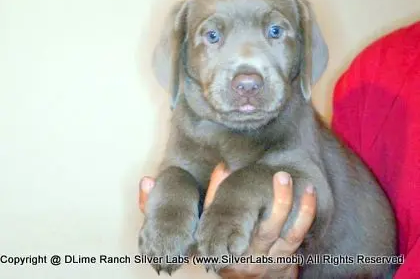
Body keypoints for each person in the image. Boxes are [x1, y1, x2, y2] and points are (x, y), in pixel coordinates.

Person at [139, 21, 420, 278]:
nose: (247, 75)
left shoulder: (297, 117)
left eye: (275, 32)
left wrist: (235, 208)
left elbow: (314, 191)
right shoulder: (379, 67)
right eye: (212, 35)